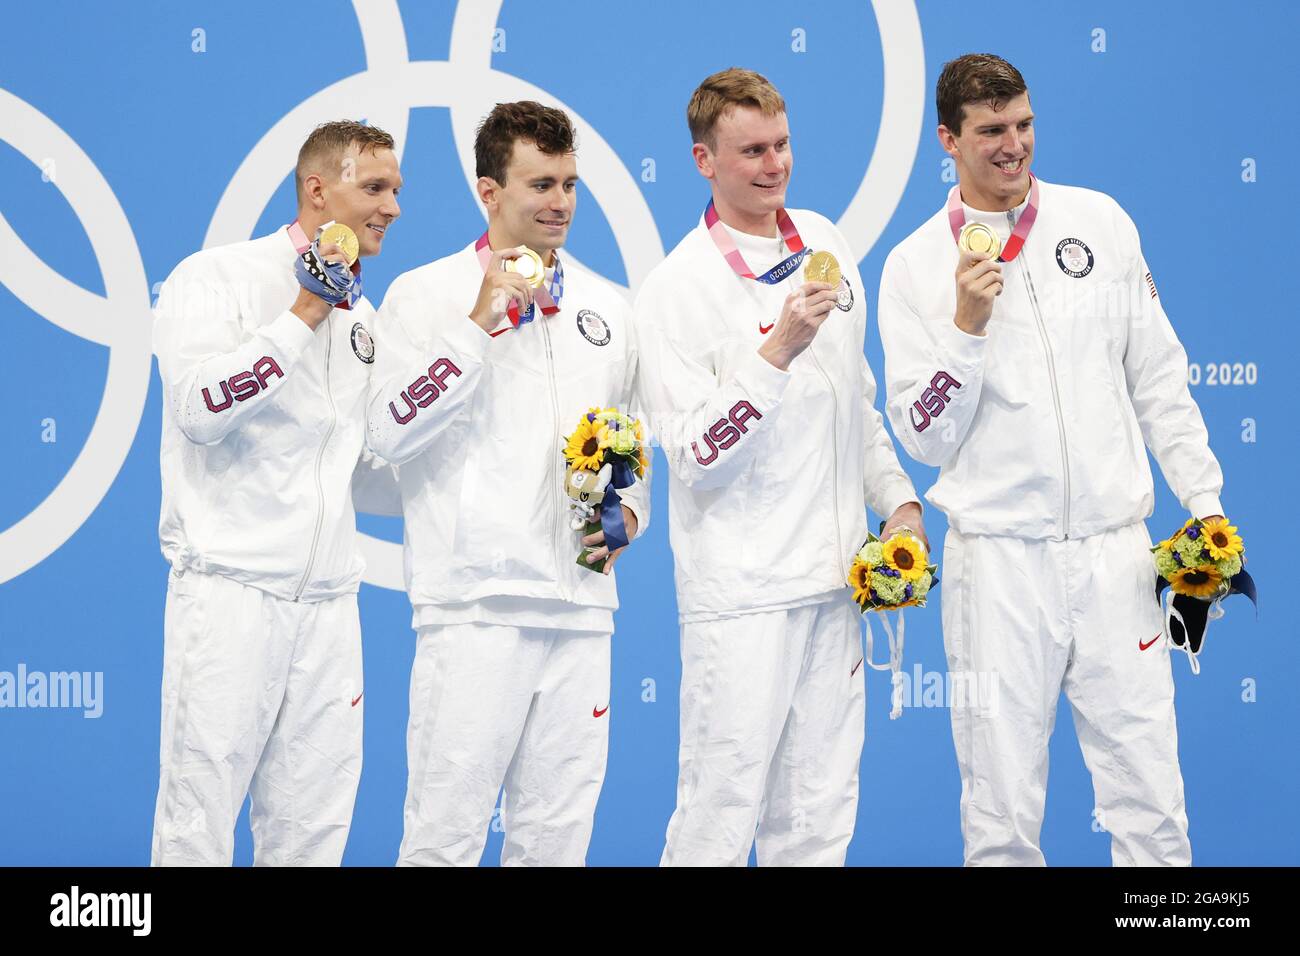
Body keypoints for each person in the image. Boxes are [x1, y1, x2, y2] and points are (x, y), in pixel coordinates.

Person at [877, 53, 1226, 866]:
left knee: (1151, 801)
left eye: (1024, 125)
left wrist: (1204, 504)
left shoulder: (1099, 222)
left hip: (1115, 556)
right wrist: (965, 327)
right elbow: (924, 437)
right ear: (948, 140)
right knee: (999, 817)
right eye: (992, 130)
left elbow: (1159, 376)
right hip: (997, 567)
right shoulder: (912, 266)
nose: (1014, 145)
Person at [634, 68, 925, 867]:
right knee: (718, 820)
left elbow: (856, 403)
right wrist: (778, 351)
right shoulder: (676, 289)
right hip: (742, 600)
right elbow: (695, 458)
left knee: (819, 821)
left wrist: (897, 503)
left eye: (783, 145)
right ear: (704, 160)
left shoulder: (826, 244)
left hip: (835, 590)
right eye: (752, 150)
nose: (774, 165)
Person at [366, 101, 649, 867]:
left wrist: (630, 515)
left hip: (585, 610)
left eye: (569, 183)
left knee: (557, 845)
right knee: (443, 842)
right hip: (475, 608)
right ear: (489, 192)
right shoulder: (424, 296)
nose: (559, 202)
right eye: (539, 184)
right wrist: (477, 325)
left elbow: (637, 446)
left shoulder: (610, 308)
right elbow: (387, 432)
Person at [150, 120, 402, 866]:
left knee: (314, 834)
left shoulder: (365, 315)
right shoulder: (217, 277)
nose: (392, 207)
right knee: (198, 824)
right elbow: (197, 412)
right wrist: (301, 317)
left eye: (396, 191)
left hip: (329, 607)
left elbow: (358, 469)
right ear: (318, 189)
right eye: (376, 188)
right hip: (232, 595)